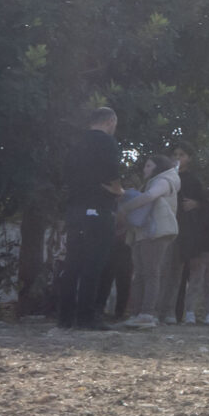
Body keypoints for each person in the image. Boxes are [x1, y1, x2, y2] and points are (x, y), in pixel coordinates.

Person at [55, 107, 125, 330]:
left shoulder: (76, 143)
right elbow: (112, 171)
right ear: (110, 121)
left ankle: (65, 317)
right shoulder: (106, 142)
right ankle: (86, 316)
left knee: (72, 263)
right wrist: (118, 190)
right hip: (98, 208)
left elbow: (65, 175)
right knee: (94, 263)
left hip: (75, 209)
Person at [121, 150, 182, 330]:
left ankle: (147, 314)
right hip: (144, 233)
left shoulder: (165, 180)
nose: (145, 169)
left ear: (158, 167)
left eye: (149, 165)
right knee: (140, 273)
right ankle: (137, 313)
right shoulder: (154, 181)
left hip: (156, 233)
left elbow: (150, 196)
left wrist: (125, 208)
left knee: (150, 273)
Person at [175, 170, 209, 324]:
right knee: (198, 283)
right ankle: (192, 312)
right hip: (201, 253)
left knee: (208, 284)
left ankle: (207, 313)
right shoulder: (202, 215)